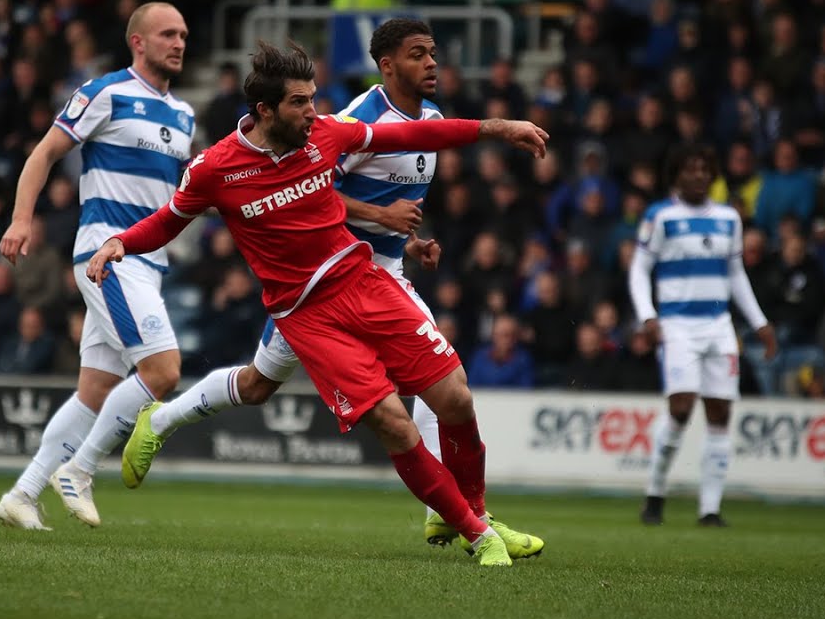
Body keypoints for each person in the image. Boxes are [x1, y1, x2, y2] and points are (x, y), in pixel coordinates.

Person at [87, 41, 547, 566]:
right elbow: (169, 220)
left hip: (364, 280)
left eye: (312, 100)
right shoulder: (215, 168)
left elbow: (416, 133)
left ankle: (477, 515)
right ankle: (478, 533)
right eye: (299, 104)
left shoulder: (325, 134)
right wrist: (120, 240)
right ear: (264, 110)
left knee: (454, 398)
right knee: (388, 421)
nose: (312, 112)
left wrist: (497, 128)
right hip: (305, 315)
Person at [0, 2, 194, 530]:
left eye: (184, 35)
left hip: (149, 264)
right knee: (163, 370)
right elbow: (44, 154)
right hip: (109, 256)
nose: (178, 43)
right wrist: (21, 220)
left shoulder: (185, 115)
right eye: (167, 34)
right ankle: (80, 470)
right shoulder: (106, 92)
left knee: (95, 390)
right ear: (139, 42)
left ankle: (23, 493)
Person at [629, 143, 777, 528]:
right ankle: (655, 492)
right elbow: (639, 270)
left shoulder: (729, 218)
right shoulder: (660, 216)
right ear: (676, 174)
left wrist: (759, 322)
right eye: (689, 168)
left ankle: (709, 509)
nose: (697, 175)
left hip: (719, 328)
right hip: (677, 327)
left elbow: (736, 275)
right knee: (680, 409)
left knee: (720, 413)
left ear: (712, 175)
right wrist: (648, 317)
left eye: (703, 168)